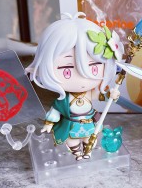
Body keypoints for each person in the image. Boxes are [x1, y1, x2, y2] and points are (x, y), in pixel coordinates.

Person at [26, 13, 123, 160]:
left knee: (90, 140)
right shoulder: (63, 100)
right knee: (72, 141)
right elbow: (55, 111)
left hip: (89, 124)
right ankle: (77, 153)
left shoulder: (90, 93)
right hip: (72, 125)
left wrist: (112, 95)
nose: (82, 77)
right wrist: (49, 123)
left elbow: (102, 95)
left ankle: (87, 152)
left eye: (94, 67)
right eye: (67, 70)